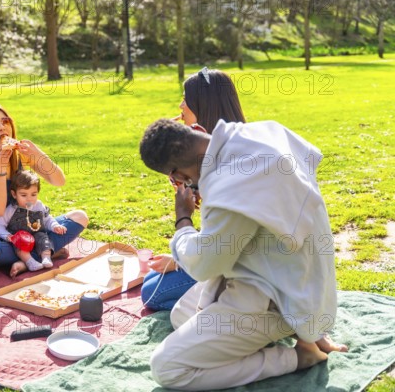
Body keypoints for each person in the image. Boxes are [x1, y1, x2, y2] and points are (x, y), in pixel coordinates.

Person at [140, 118, 347, 390]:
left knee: (167, 367)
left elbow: (204, 266)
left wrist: (183, 221)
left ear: (178, 177)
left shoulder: (231, 187)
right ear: (199, 131)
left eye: (174, 178)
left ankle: (298, 356)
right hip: (297, 277)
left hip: (276, 297)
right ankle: (305, 333)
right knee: (181, 316)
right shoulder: (262, 132)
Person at [142, 68, 246, 311]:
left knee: (152, 292)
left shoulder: (226, 165)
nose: (180, 105)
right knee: (151, 279)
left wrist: (180, 256)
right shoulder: (228, 144)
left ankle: (222, 305)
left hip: (240, 265)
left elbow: (227, 245)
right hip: (224, 249)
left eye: (185, 100)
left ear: (203, 107)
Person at [0, 103, 88, 277]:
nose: (1, 127)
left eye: (5, 121)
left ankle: (26, 260)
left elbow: (59, 181)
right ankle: (43, 252)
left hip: (26, 227)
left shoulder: (19, 154)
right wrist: (0, 168)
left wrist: (37, 153)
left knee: (80, 217)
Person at [0, 170, 67, 271]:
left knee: (44, 239)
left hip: (37, 233)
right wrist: (8, 236)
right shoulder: (11, 209)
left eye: (33, 195)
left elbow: (47, 219)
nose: (29, 199)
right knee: (20, 246)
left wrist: (55, 226)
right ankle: (30, 262)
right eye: (24, 195)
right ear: (14, 194)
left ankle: (46, 258)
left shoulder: (39, 205)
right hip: (21, 238)